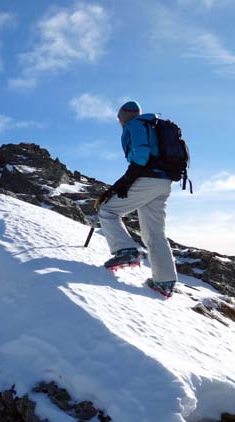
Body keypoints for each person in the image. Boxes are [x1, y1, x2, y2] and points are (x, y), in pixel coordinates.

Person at [98, 100, 178, 298]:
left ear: (123, 118)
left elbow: (141, 155)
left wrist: (126, 181)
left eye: (119, 119)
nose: (120, 123)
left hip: (148, 178)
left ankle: (126, 251)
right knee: (154, 233)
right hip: (164, 181)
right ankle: (164, 281)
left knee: (107, 210)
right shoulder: (153, 126)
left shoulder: (135, 125)